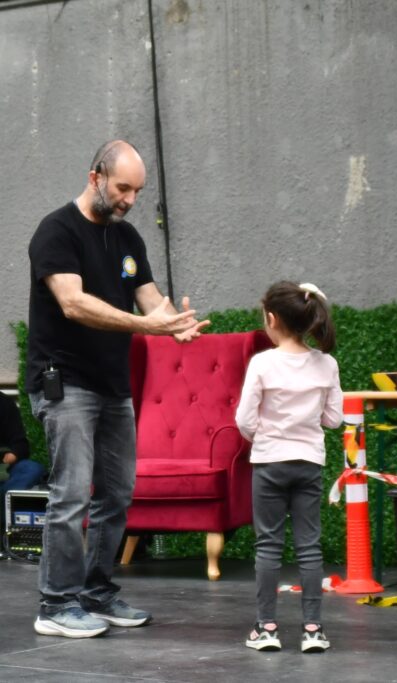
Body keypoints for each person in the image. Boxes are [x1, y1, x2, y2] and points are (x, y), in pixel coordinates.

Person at [27, 140, 209, 638]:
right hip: (64, 383)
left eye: (137, 191)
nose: (130, 199)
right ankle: (55, 604)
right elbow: (73, 303)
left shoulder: (127, 237)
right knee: (70, 495)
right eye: (123, 188)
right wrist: (147, 326)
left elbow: (149, 300)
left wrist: (173, 324)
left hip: (112, 386)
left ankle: (95, 593)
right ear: (95, 178)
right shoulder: (56, 230)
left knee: (117, 494)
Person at [235, 281, 342, 653]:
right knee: (309, 547)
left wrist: (265, 438)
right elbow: (333, 419)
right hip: (309, 463)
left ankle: (266, 628)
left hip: (269, 462)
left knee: (268, 546)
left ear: (271, 318)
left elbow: (244, 419)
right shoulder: (327, 364)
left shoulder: (262, 363)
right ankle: (313, 630)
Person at [1, 390, 47, 545]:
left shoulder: (4, 403)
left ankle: (5, 515)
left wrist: (13, 454)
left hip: (5, 467)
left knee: (32, 469)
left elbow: (21, 444)